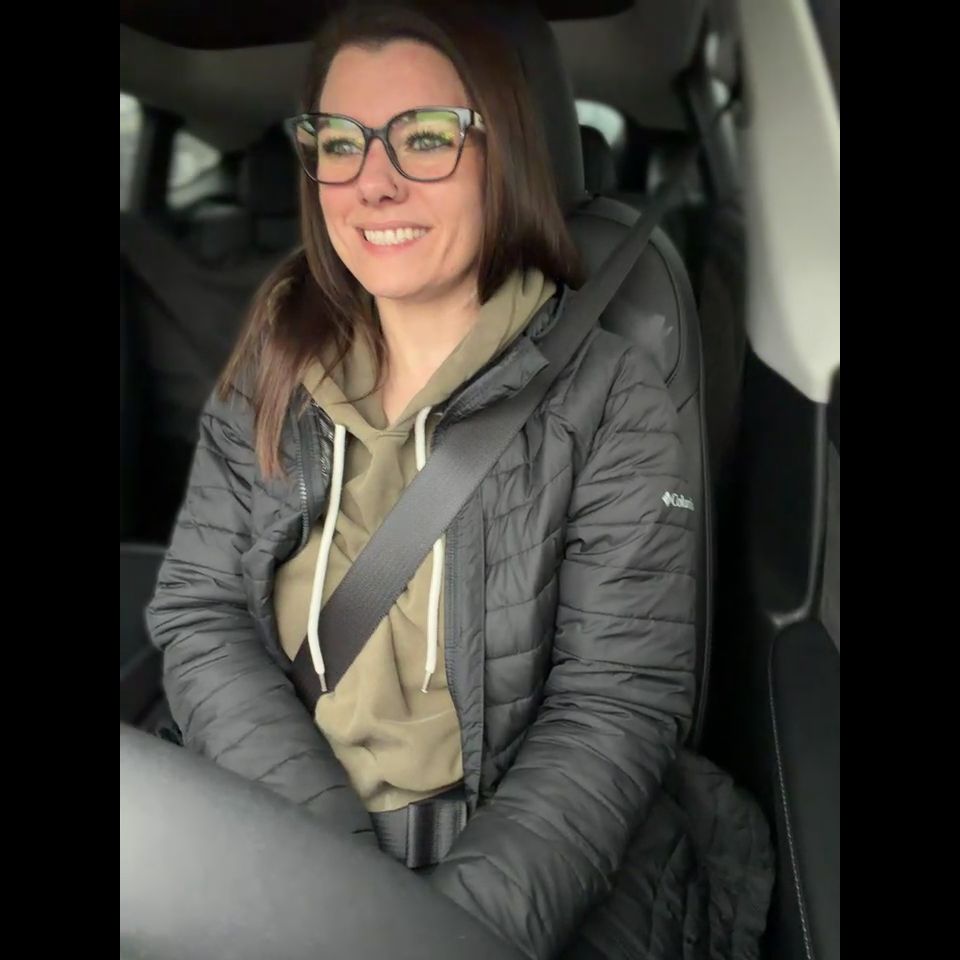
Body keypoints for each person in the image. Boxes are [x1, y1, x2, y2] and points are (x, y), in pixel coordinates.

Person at [147, 3, 771, 957]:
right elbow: (199, 613)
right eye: (340, 142)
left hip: (515, 872)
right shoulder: (277, 357)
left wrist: (443, 931)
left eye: (427, 137)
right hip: (280, 827)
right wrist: (331, 876)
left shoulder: (610, 394)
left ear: (504, 157)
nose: (375, 182)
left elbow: (616, 704)